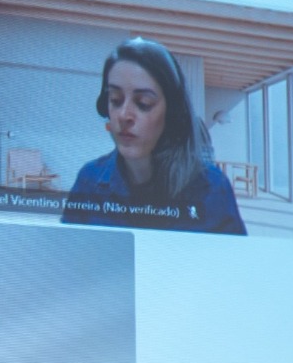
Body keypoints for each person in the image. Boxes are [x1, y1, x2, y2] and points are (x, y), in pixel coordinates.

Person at [60, 37, 246, 235]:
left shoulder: (213, 188)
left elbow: (235, 264)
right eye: (115, 100)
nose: (124, 115)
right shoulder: (89, 179)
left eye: (143, 103)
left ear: (172, 112)